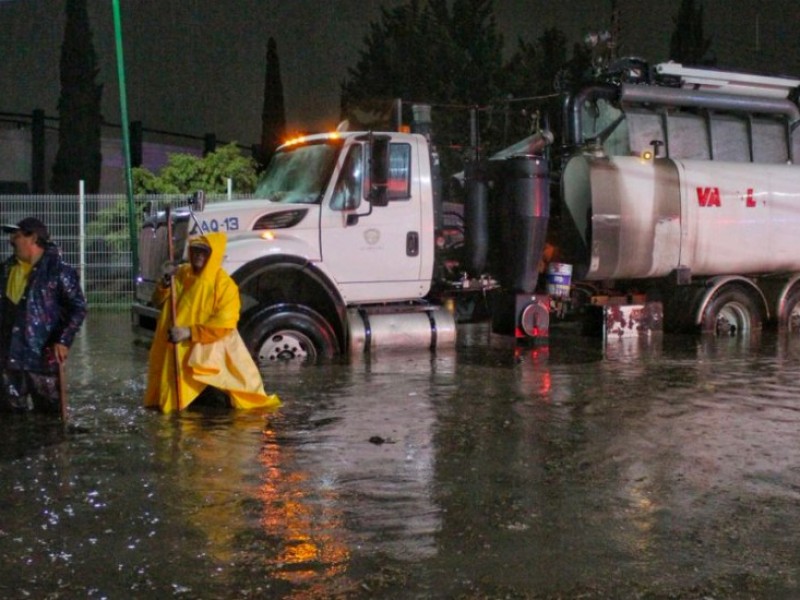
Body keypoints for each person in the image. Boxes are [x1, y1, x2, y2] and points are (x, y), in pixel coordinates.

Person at [144, 231, 281, 413]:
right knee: (176, 405)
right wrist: (165, 283)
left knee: (216, 405)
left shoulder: (225, 286)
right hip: (176, 352)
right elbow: (158, 301)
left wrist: (189, 333)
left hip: (207, 357)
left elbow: (224, 323)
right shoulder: (182, 274)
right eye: (195, 250)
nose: (198, 255)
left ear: (213, 254)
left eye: (204, 251)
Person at [0, 217, 87, 414]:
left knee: (50, 419)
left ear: (33, 238)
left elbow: (78, 307)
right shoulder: (5, 270)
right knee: (9, 420)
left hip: (41, 358)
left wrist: (63, 340)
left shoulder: (59, 272)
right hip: (8, 359)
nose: (11, 240)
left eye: (17, 235)